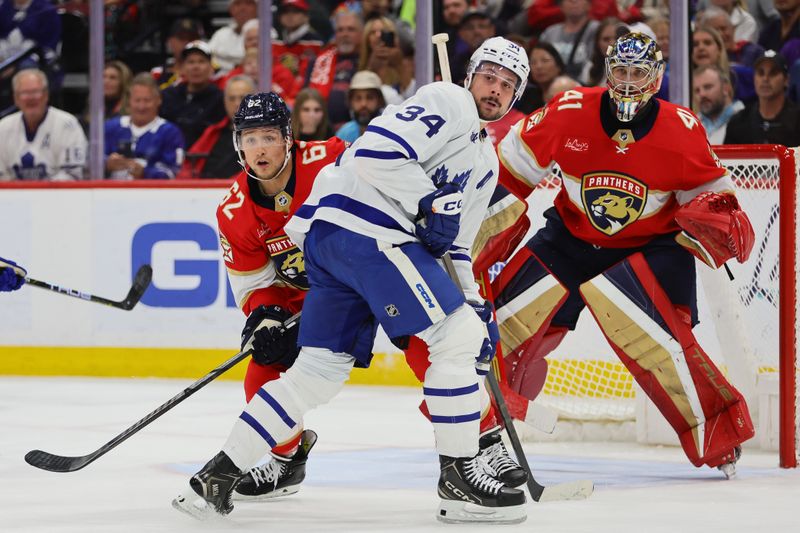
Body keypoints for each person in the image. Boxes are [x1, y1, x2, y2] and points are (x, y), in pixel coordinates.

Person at [173, 36, 532, 524]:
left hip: (334, 247)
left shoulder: (485, 163)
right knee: (455, 340)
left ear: (518, 96)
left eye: (508, 84)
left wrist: (472, 300)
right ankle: (460, 477)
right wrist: (429, 201)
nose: (495, 88)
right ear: (469, 77)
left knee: (316, 372)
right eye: (489, 75)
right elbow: (374, 155)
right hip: (367, 233)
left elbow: (455, 247)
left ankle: (216, 475)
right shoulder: (447, 100)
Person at [494, 32, 756, 477]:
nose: (629, 82)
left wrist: (716, 221)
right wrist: (475, 243)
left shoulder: (682, 129)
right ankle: (484, 423)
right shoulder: (568, 109)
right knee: (502, 321)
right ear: (607, 70)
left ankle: (718, 439)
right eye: (621, 71)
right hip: (570, 240)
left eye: (639, 73)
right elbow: (508, 174)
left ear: (657, 78)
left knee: (665, 346)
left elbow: (717, 199)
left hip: (647, 247)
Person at [0, 69, 86, 181]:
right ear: (16, 98)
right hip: (13, 197)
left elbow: (72, 174)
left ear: (46, 95)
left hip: (57, 196)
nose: (31, 98)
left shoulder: (67, 125)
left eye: (35, 92)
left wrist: (41, 193)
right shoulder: (3, 127)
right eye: (25, 93)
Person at [105, 74, 184, 180]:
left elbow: (174, 171)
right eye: (137, 100)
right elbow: (89, 160)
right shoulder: (111, 127)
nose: (141, 107)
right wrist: (106, 163)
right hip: (109, 192)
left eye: (147, 101)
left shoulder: (170, 132)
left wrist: (146, 172)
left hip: (152, 194)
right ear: (129, 101)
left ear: (158, 100)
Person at [177, 74, 256, 179]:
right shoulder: (213, 132)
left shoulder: (264, 136)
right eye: (231, 98)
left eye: (242, 98)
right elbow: (188, 166)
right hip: (203, 190)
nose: (237, 103)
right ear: (225, 102)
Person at [725, 49, 800, 145]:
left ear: (786, 80)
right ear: (754, 79)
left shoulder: (797, 121)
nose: (765, 79)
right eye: (761, 73)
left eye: (773, 73)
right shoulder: (738, 122)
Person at [160, 41, 227, 149]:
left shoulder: (220, 99)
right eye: (190, 62)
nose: (196, 67)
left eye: (201, 61)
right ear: (182, 68)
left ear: (211, 67)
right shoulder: (168, 95)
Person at [308, 9, 363, 130]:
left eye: (350, 29)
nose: (345, 34)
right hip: (320, 130)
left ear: (361, 33)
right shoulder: (318, 61)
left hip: (358, 129)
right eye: (340, 30)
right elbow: (305, 98)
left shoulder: (367, 60)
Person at [539, 0, 600, 79]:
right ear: (560, 6)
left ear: (589, 5)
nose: (574, 1)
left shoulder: (598, 30)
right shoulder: (550, 33)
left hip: (586, 85)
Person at [693, 65, 744, 144]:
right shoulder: (691, 125)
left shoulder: (746, 120)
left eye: (707, 87)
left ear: (725, 89)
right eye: (697, 91)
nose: (702, 94)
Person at [334, 70, 385, 143]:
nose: (363, 104)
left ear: (380, 101)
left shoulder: (390, 130)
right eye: (358, 98)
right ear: (350, 102)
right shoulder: (344, 134)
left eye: (370, 97)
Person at [209, 0, 258, 73]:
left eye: (248, 3)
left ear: (258, 8)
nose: (242, 8)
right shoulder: (220, 34)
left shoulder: (267, 33)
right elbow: (210, 58)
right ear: (230, 9)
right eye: (237, 4)